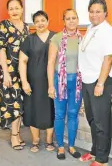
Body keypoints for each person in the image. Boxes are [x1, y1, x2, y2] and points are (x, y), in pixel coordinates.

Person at [78, 0, 112, 166]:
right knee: (92, 118)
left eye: (98, 11)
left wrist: (100, 83)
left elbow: (108, 59)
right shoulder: (90, 28)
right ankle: (95, 151)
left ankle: (102, 159)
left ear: (105, 13)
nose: (94, 14)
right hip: (87, 80)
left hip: (100, 81)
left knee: (102, 121)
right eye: (92, 11)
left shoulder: (107, 31)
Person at [47, 9, 82, 160]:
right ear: (64, 21)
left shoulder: (83, 39)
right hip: (59, 79)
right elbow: (50, 62)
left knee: (73, 114)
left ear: (78, 19)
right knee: (60, 114)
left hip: (77, 82)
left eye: (74, 18)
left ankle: (72, 145)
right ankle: (61, 146)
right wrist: (50, 85)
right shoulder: (57, 38)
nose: (71, 21)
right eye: (68, 18)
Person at [0, 0, 29, 150]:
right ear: (8, 11)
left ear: (22, 9)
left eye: (17, 8)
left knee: (21, 103)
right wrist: (6, 74)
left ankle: (18, 133)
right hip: (10, 72)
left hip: (25, 72)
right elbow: (1, 50)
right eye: (11, 8)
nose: (14, 11)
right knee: (14, 103)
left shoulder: (27, 27)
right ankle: (14, 136)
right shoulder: (4, 25)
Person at [19, 10, 55, 153]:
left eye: (43, 20)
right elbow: (22, 61)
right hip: (33, 83)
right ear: (34, 24)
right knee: (33, 110)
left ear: (48, 21)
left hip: (51, 82)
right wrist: (24, 82)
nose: (40, 23)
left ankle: (49, 141)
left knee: (50, 110)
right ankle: (35, 141)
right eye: (37, 21)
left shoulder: (56, 37)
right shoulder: (29, 40)